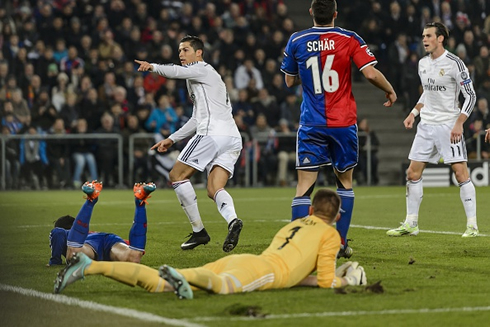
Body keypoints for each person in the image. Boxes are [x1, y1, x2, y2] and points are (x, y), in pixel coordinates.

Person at [54, 189, 368, 298]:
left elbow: (299, 273)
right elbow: (326, 282)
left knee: (165, 283)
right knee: (214, 285)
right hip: (263, 272)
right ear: (336, 217)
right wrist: (347, 279)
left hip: (249, 261)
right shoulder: (330, 235)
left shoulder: (297, 222)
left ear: (311, 211)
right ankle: (184, 278)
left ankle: (88, 268)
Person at [280, 0, 397, 258]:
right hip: (343, 123)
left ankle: (296, 249)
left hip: (312, 122)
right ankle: (341, 244)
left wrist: (309, 71)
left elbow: (289, 81)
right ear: (335, 13)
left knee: (303, 186)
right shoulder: (350, 38)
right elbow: (369, 74)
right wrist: (389, 89)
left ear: (311, 12)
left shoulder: (297, 40)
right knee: (344, 182)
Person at [134, 35, 243, 253]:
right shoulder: (201, 78)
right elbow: (196, 118)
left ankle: (199, 231)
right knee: (214, 189)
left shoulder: (202, 69)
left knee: (176, 176)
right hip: (231, 138)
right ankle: (233, 220)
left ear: (198, 53)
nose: (180, 54)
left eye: (185, 50)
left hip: (212, 134)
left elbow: (174, 71)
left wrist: (152, 66)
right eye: (179, 51)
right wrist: (172, 138)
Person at [387, 22, 478, 238]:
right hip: (426, 125)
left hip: (449, 125)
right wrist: (413, 113)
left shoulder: (455, 63)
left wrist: (459, 123)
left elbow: (471, 95)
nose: (424, 39)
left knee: (460, 173)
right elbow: (427, 93)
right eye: (423, 36)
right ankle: (411, 224)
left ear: (440, 39)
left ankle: (472, 226)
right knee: (412, 172)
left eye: (428, 36)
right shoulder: (422, 64)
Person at [47, 180, 156, 266]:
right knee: (133, 258)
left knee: (74, 257)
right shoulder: (92, 233)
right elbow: (133, 245)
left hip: (90, 245)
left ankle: (90, 201)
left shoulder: (67, 233)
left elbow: (57, 232)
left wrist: (55, 261)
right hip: (110, 240)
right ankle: (140, 203)